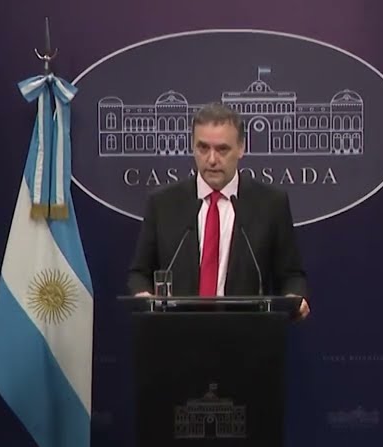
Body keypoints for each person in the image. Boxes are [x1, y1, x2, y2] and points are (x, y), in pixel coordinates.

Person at [127, 102, 309, 318]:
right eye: (203, 148)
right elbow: (139, 273)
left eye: (222, 149)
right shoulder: (163, 203)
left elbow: (291, 275)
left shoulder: (270, 203)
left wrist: (293, 297)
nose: (212, 160)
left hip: (247, 337)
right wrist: (143, 294)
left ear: (241, 148)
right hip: (177, 336)